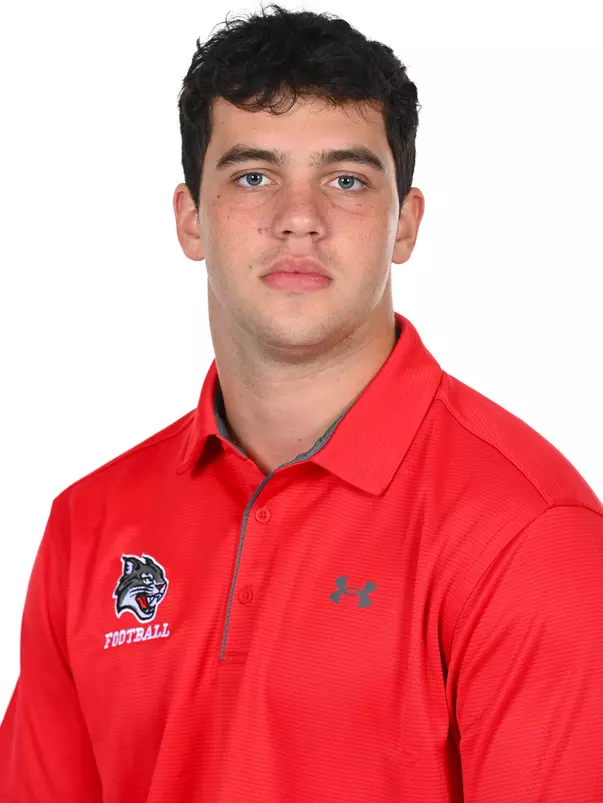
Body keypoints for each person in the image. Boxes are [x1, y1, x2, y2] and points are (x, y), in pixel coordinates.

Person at [1, 4, 602, 801]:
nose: (298, 218)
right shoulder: (90, 524)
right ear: (190, 219)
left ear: (404, 225)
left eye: (345, 179)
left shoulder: (525, 532)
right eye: (253, 176)